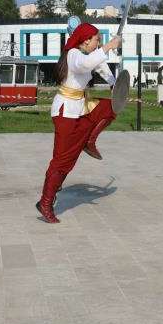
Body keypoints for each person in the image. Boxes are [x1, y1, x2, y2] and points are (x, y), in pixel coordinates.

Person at [37, 23, 121, 223]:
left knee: (110, 108)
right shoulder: (74, 54)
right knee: (62, 160)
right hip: (65, 112)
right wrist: (109, 46)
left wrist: (114, 83)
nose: (98, 42)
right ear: (86, 40)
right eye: (96, 39)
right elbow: (85, 64)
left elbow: (98, 65)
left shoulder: (85, 55)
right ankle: (45, 203)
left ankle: (89, 141)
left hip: (80, 108)